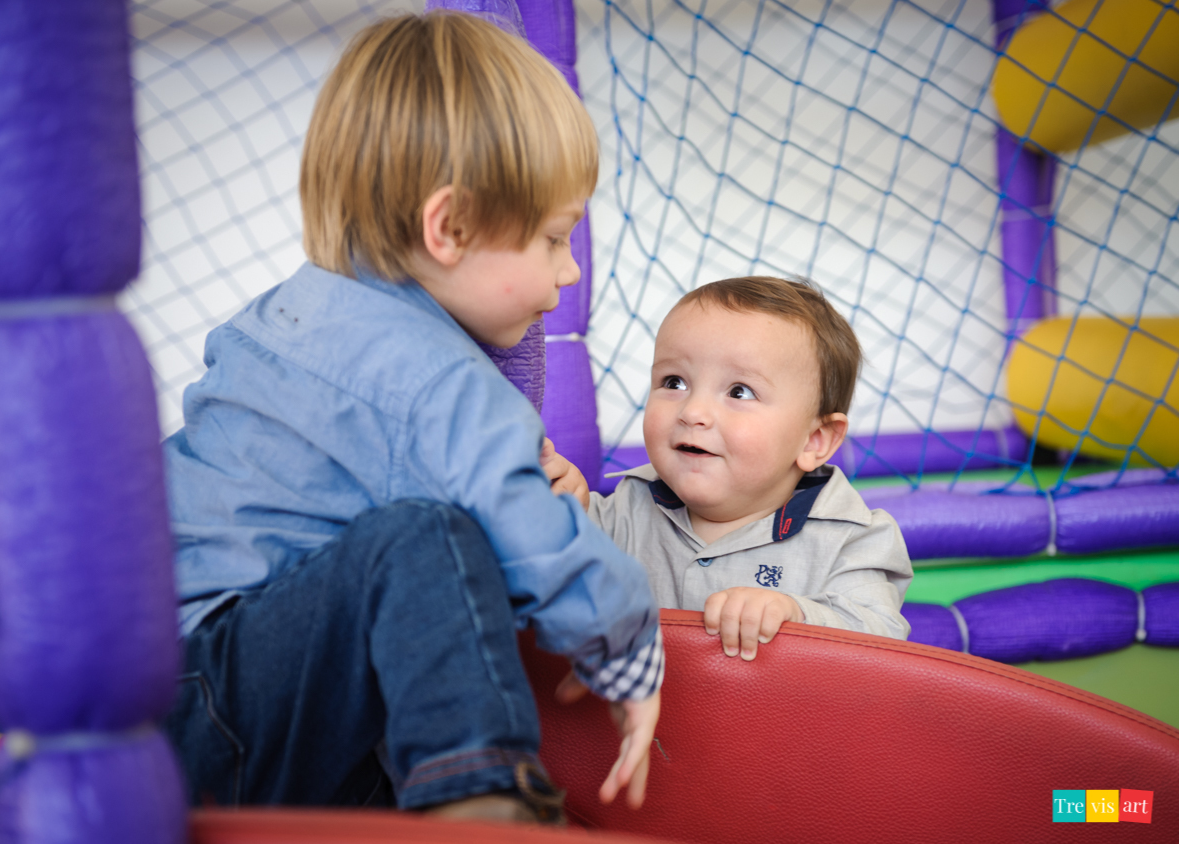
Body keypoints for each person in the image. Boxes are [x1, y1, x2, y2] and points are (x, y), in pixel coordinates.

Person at [161, 12, 662, 824]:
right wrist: (628, 647)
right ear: (449, 227)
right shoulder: (433, 379)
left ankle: (447, 799)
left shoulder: (288, 316)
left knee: (424, 557)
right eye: (552, 238)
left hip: (185, 704)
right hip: (225, 695)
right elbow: (508, 528)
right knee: (427, 537)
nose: (570, 272)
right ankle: (484, 801)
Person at [588, 276, 912, 662]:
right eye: (674, 382)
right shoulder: (624, 509)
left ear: (815, 441)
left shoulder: (852, 540)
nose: (693, 411)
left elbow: (883, 640)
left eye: (739, 391)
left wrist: (797, 614)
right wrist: (554, 501)